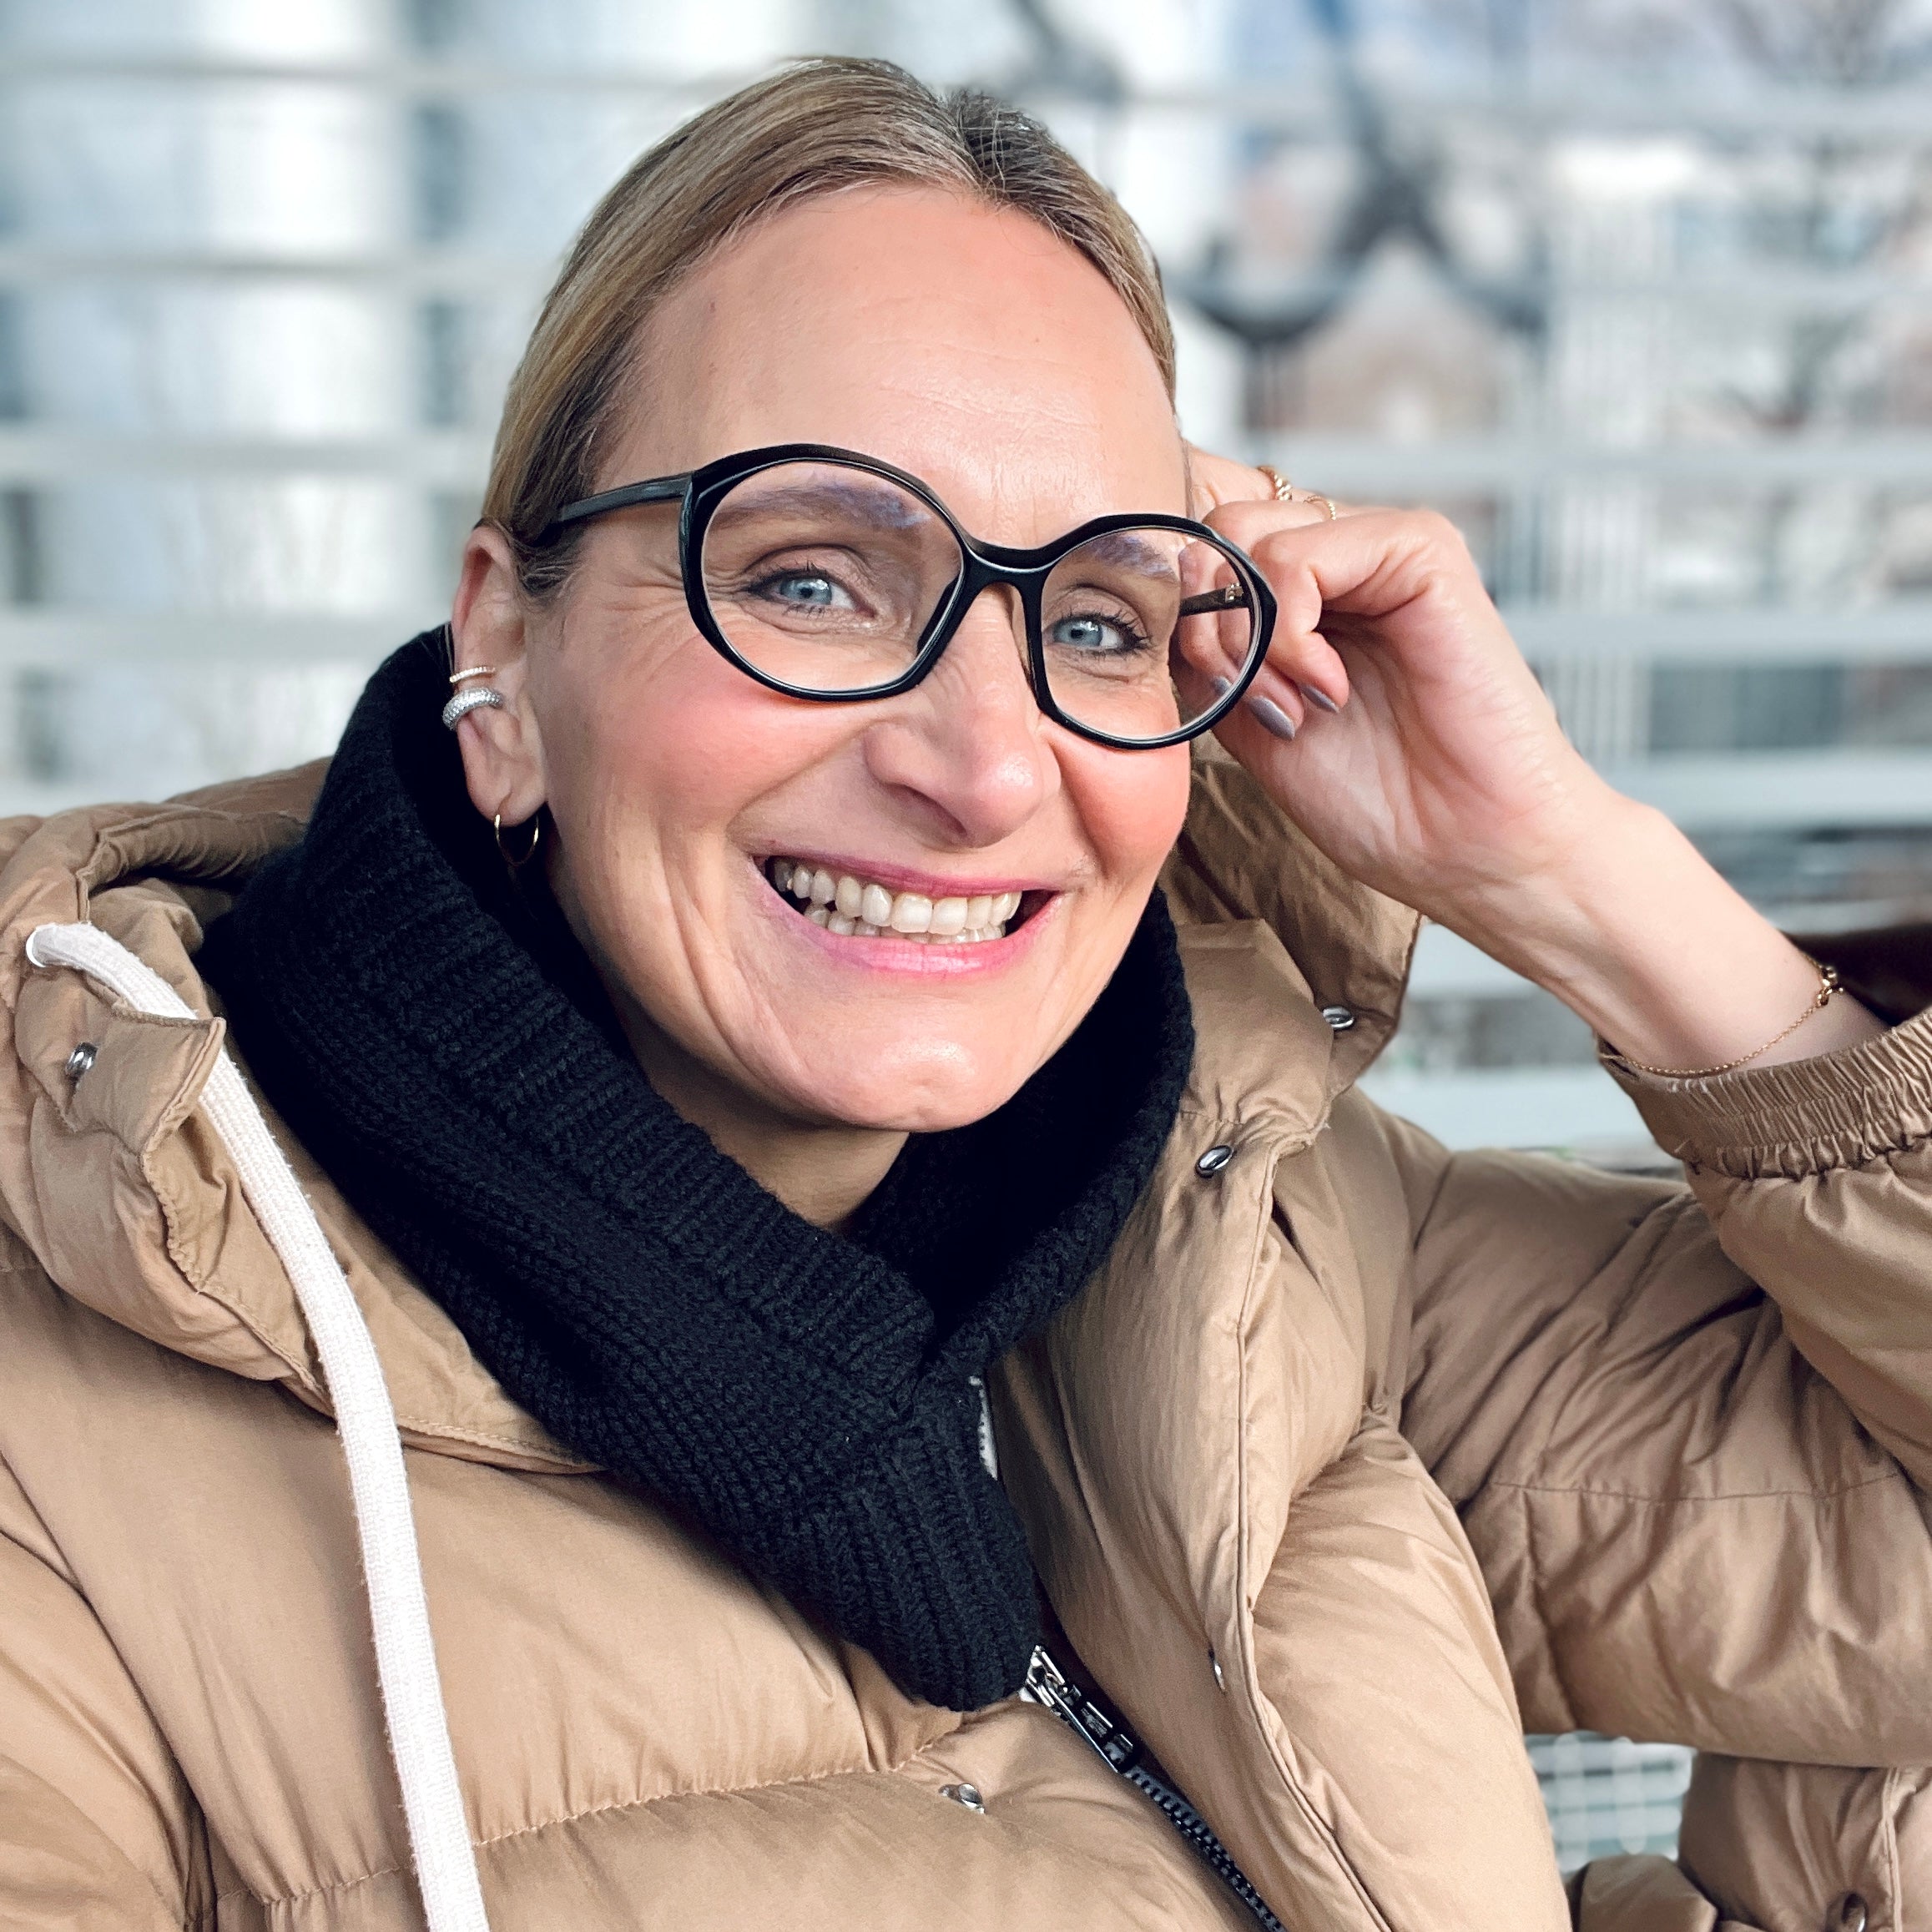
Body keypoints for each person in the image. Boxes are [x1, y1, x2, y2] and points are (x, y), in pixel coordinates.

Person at [0, 56, 1924, 1932]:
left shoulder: (1269, 1235)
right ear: (508, 638)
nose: (989, 766)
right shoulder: (53, 1452)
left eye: (1092, 618)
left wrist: (1575, 877)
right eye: (816, 578)